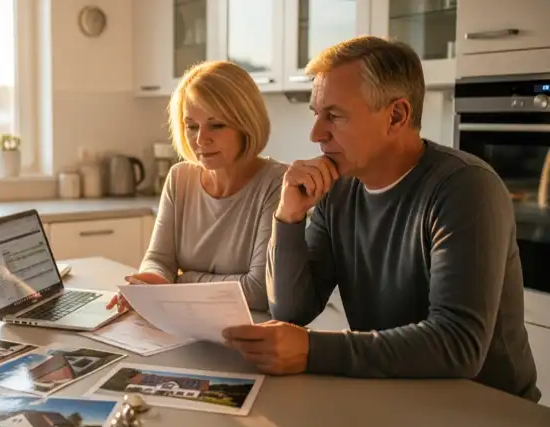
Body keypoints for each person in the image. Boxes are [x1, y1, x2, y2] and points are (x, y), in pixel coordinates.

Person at [222, 36, 541, 402]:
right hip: (393, 394)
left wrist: (312, 350)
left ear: (396, 116)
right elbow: (293, 309)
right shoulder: (338, 190)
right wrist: (288, 216)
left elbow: (458, 345)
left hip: (487, 411)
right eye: (316, 114)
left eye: (335, 116)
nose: (316, 134)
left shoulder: (465, 187)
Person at [106, 60, 288, 313]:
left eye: (217, 125)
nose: (201, 139)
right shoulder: (180, 178)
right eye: (191, 126)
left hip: (251, 334)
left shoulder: (277, 183)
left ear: (246, 125)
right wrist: (149, 281)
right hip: (188, 321)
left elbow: (258, 292)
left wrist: (181, 282)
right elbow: (159, 259)